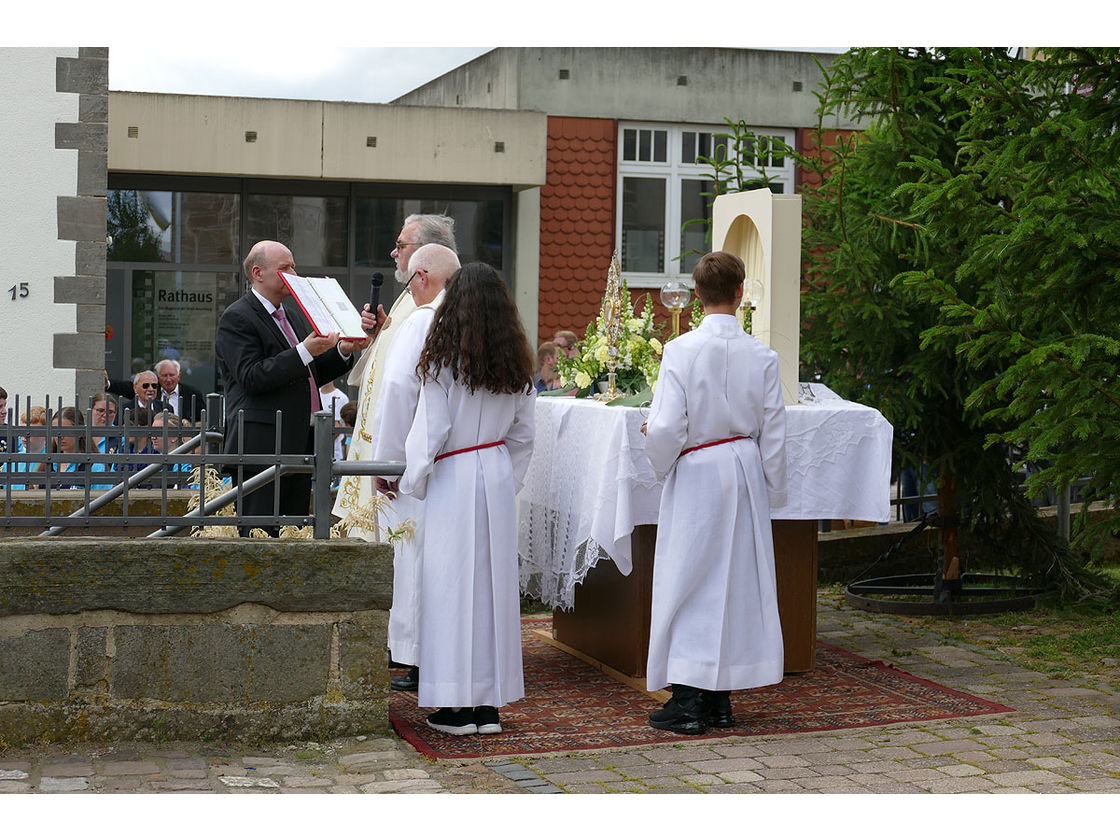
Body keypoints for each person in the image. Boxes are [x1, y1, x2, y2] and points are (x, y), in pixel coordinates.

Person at [379, 261, 536, 736]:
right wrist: (503, 481)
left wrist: (411, 482)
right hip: (493, 470)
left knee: (448, 591)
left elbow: (431, 432)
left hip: (452, 472)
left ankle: (454, 706)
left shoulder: (442, 359)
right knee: (492, 593)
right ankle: (488, 706)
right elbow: (525, 435)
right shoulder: (516, 362)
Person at [641, 250, 788, 735]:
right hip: (743, 469)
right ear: (740, 293)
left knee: (690, 580)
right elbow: (774, 431)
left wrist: (661, 462)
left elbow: (665, 426)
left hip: (699, 470)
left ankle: (690, 700)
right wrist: (773, 488)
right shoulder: (763, 356)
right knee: (735, 583)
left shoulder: (681, 350)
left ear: (696, 295)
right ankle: (720, 698)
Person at [215, 239, 372, 536]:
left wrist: (343, 350)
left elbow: (311, 371)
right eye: (285, 268)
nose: (294, 275)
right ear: (258, 273)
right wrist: (304, 351)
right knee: (259, 535)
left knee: (293, 533)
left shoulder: (294, 314)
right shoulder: (238, 317)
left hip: (301, 439)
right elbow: (251, 376)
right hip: (260, 446)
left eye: (294, 266)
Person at [369, 242, 461, 693]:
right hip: (472, 465)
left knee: (418, 560)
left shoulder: (422, 322)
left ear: (422, 278)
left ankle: (417, 656)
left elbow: (399, 393)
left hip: (422, 466)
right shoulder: (480, 322)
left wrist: (386, 464)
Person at [333, 213, 458, 541]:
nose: (394, 252)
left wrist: (387, 464)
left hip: (403, 458)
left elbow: (404, 383)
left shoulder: (432, 307)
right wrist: (380, 334)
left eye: (401, 245)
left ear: (426, 254)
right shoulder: (413, 296)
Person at [319, 379, 351, 462]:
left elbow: (338, 426)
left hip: (334, 453)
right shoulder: (315, 394)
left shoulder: (341, 397)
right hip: (315, 453)